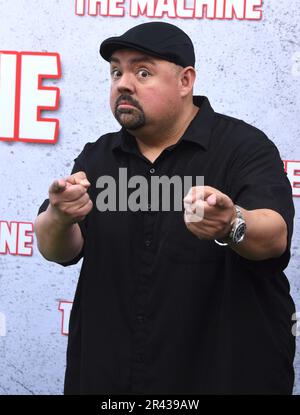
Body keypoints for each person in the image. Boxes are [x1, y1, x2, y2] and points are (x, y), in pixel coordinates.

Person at [35, 22, 296, 394]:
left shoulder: (244, 147)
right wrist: (60, 217)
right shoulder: (97, 157)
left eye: (143, 72)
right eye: (116, 72)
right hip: (113, 374)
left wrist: (231, 222)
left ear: (185, 81)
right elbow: (55, 247)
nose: (124, 83)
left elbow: (274, 235)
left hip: (220, 371)